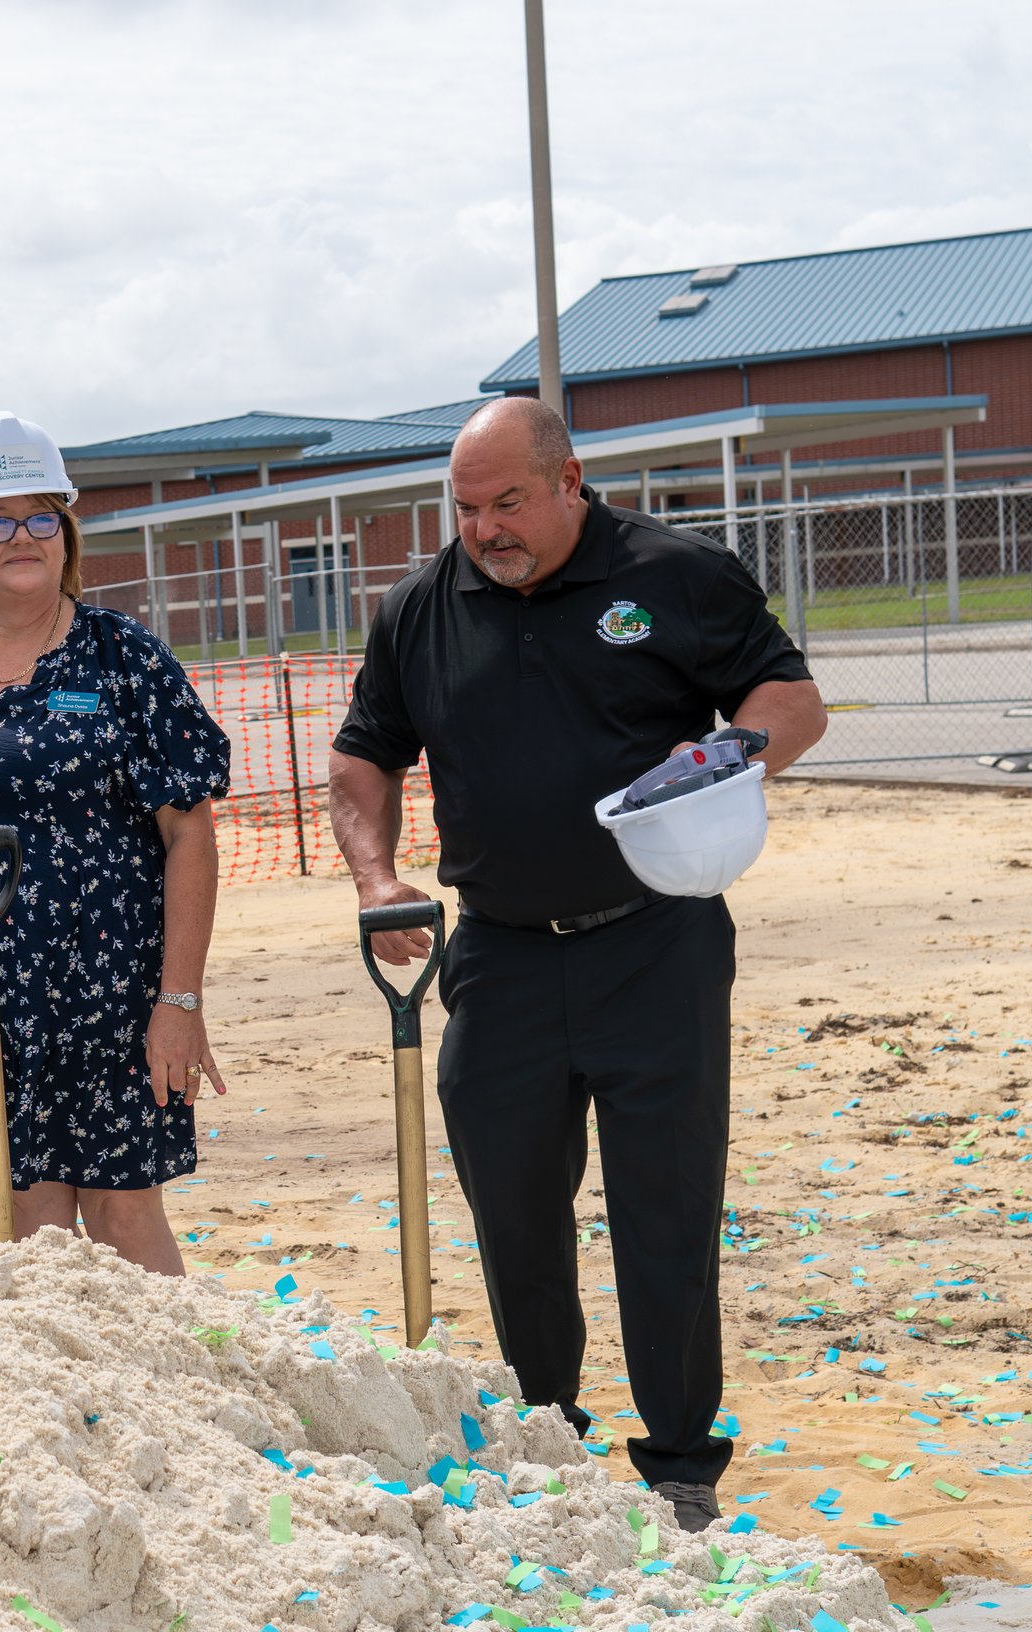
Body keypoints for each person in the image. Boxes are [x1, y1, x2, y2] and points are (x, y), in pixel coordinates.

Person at [327, 398, 829, 1532]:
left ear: (570, 481)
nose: (484, 529)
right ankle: (547, 1426)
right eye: (464, 507)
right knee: (513, 1209)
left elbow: (791, 701)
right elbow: (364, 752)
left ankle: (681, 1464)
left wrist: (721, 758)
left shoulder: (676, 570)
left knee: (664, 1203)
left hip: (656, 941)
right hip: (498, 958)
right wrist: (374, 876)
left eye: (506, 502)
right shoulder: (422, 605)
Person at [0, 411, 231, 1274]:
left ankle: (178, 1402)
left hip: (107, 988)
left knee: (125, 1214)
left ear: (66, 528)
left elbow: (190, 833)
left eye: (41, 515)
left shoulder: (122, 658)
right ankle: (80, 1410)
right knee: (32, 1229)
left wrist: (180, 1001)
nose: (24, 535)